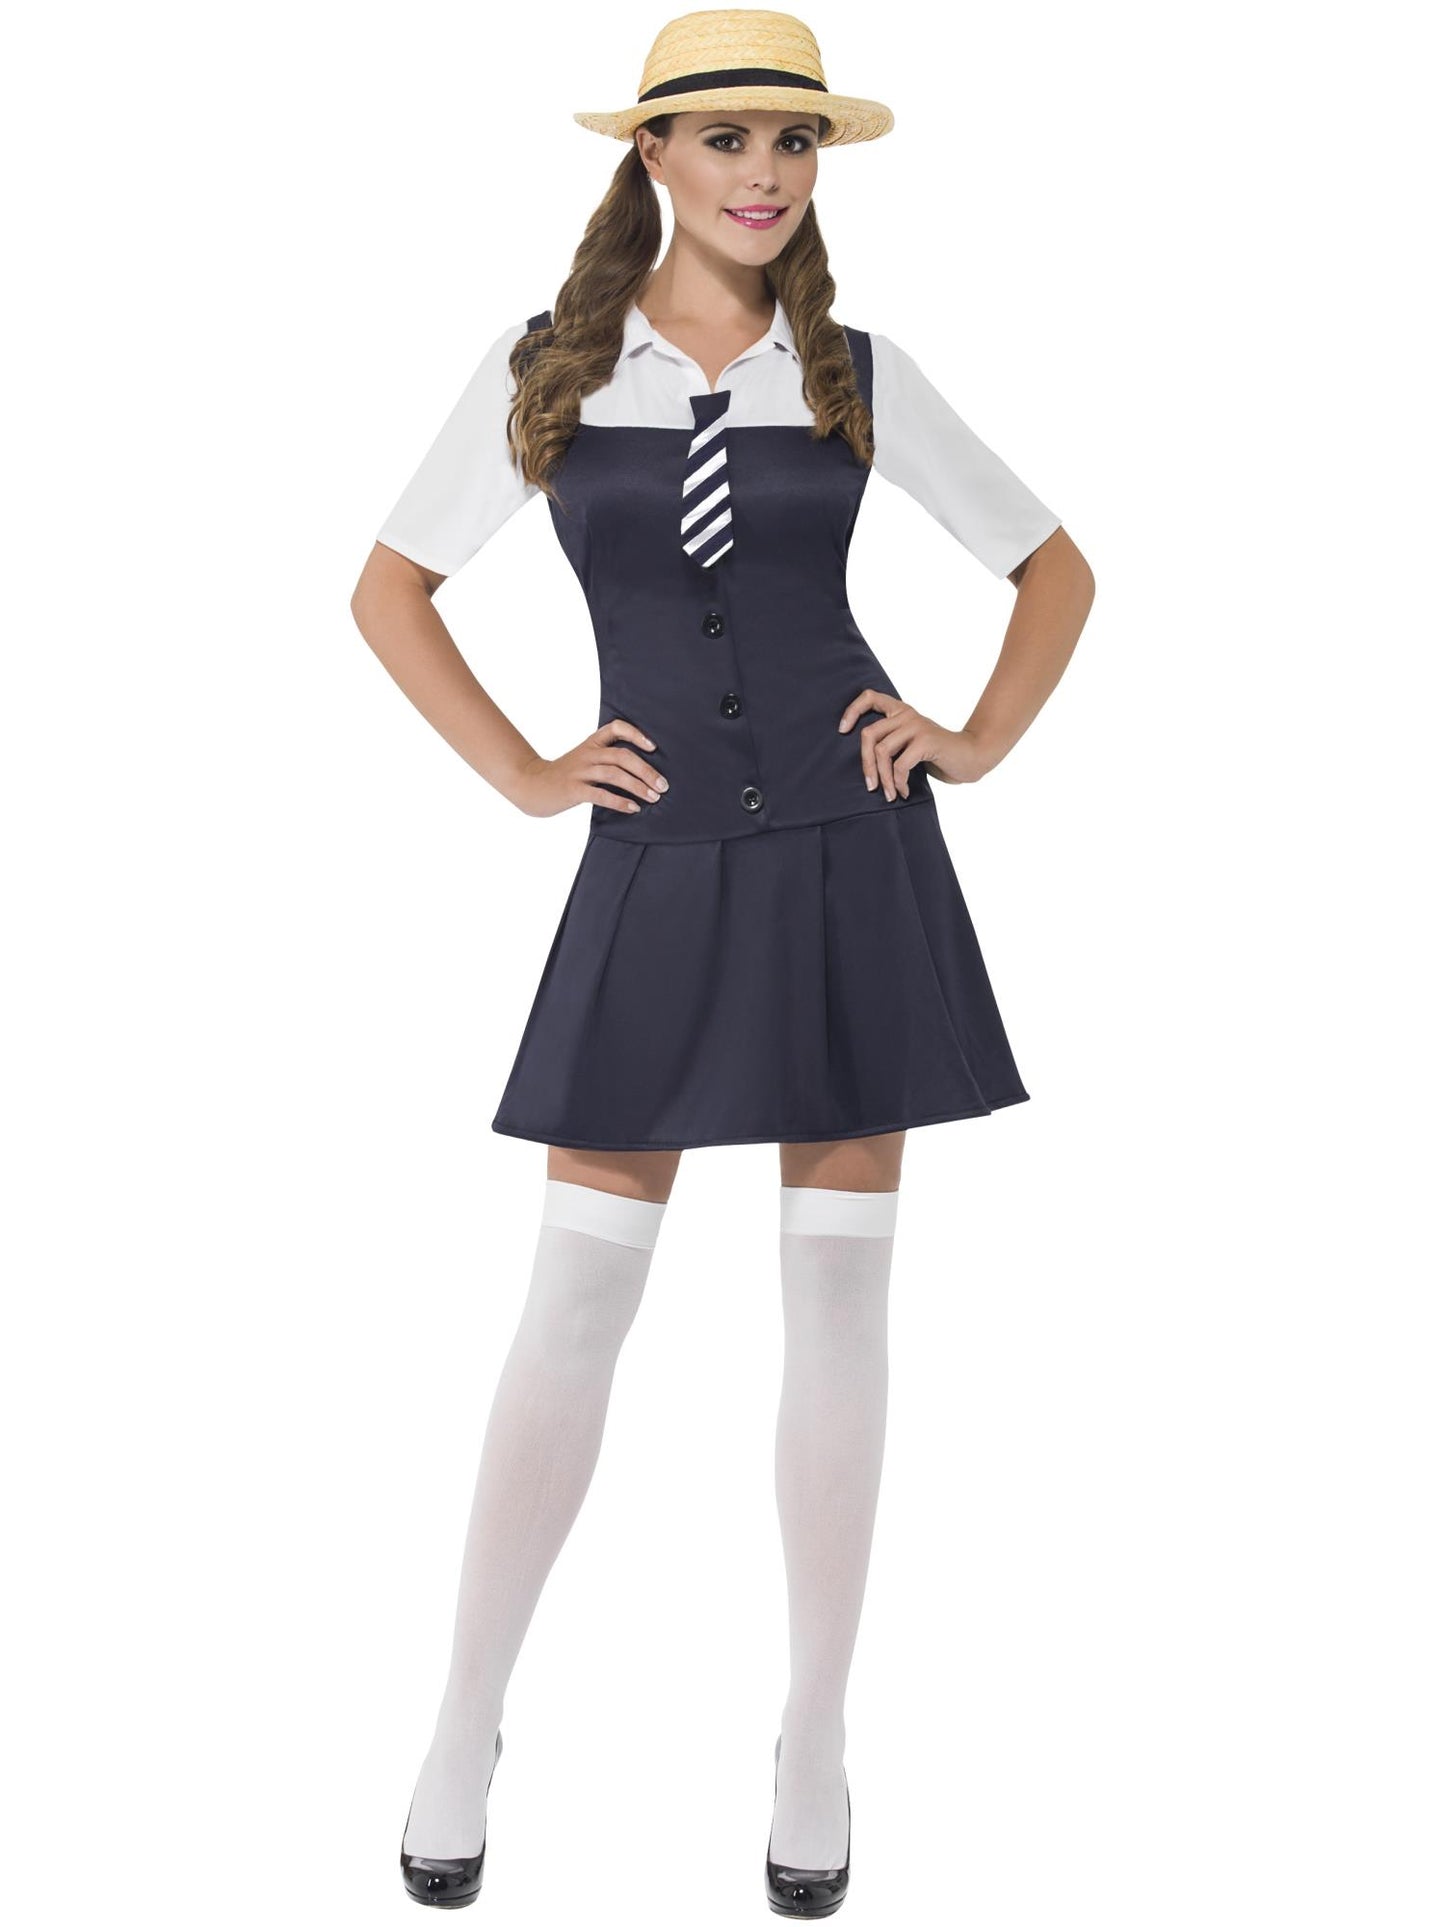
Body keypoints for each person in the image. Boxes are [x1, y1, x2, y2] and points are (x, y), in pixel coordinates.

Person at [350, 8, 1095, 1913]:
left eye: (794, 140)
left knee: (837, 1303)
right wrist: (527, 772)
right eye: (728, 138)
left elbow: (1054, 567)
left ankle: (815, 1735)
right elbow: (390, 589)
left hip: (852, 858)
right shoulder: (548, 368)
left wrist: (970, 738)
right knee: (571, 1306)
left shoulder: (851, 371)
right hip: (657, 868)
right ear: (654, 158)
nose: (765, 174)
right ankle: (462, 1719)